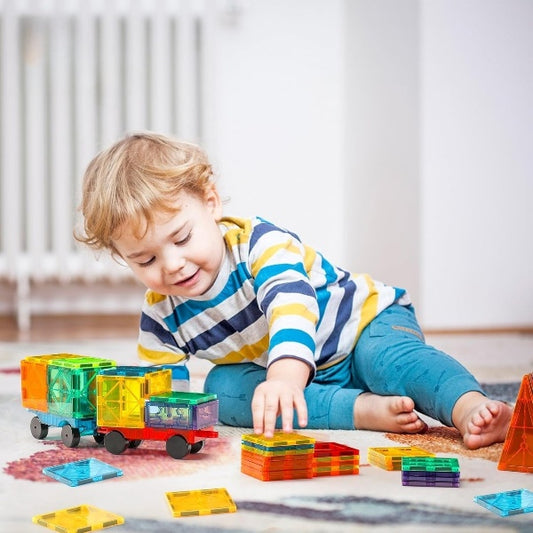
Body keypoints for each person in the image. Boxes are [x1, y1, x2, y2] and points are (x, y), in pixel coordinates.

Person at [76, 131, 512, 450]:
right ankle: (360, 410)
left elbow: (292, 307)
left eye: (183, 238)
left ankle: (468, 405)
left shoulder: (259, 246)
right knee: (222, 390)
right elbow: (165, 390)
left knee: (387, 361)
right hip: (297, 376)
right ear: (123, 257)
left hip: (363, 328)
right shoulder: (161, 318)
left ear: (210, 204)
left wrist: (284, 375)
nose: (171, 265)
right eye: (145, 260)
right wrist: (151, 419)